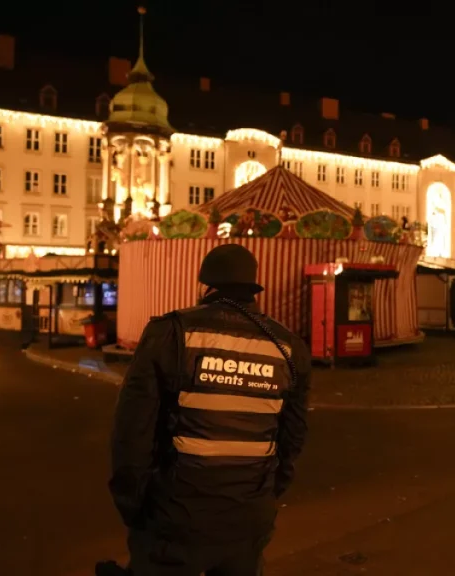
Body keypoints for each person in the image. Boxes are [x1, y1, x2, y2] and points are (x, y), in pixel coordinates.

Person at [109, 244, 310, 576]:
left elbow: (132, 433)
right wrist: (265, 494)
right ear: (252, 288)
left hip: (176, 518)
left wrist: (133, 506)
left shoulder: (172, 333)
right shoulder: (289, 347)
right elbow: (293, 437)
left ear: (207, 286)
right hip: (249, 519)